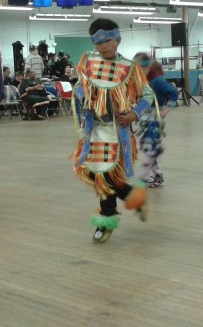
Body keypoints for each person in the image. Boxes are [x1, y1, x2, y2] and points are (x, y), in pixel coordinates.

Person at [73, 18, 154, 243]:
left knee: (106, 174)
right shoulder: (88, 64)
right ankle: (133, 198)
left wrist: (134, 114)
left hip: (118, 133)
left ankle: (107, 218)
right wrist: (84, 98)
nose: (103, 46)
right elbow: (79, 87)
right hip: (93, 131)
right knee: (98, 174)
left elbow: (147, 95)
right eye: (98, 42)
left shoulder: (129, 68)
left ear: (117, 39)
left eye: (108, 40)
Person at [133, 52, 178, 188]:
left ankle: (147, 176)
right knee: (147, 147)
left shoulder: (156, 80)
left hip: (155, 117)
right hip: (145, 116)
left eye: (139, 68)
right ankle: (154, 176)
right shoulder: (143, 81)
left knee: (150, 146)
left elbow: (173, 92)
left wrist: (167, 108)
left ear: (147, 67)